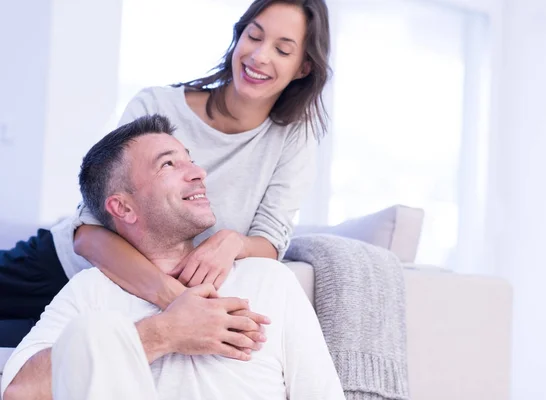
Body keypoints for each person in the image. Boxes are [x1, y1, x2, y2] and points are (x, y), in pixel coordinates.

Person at [0, 0, 331, 346]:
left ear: (303, 67)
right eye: (254, 36)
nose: (260, 56)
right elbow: (87, 232)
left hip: (118, 307)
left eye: (282, 49)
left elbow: (271, 240)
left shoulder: (294, 137)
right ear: (239, 36)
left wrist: (233, 242)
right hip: (59, 269)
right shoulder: (156, 106)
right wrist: (175, 301)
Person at [1, 115, 345, 400]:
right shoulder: (90, 291)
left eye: (190, 159)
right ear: (123, 207)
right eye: (168, 164)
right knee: (96, 331)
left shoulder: (268, 281)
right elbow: (18, 392)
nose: (198, 172)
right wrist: (164, 333)